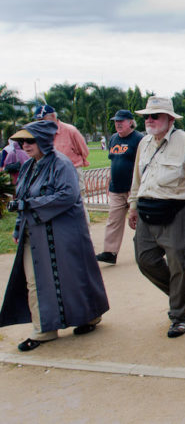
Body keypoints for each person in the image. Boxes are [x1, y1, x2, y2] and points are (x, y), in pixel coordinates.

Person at [0, 121, 109, 351]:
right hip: (35, 233)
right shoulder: (29, 166)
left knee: (73, 276)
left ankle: (90, 316)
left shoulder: (62, 164)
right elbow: (22, 200)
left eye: (30, 140)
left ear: (43, 140)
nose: (25, 145)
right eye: (22, 142)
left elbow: (67, 195)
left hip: (64, 233)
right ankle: (44, 328)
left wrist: (30, 205)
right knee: (34, 281)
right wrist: (19, 226)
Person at [127, 96, 185, 338]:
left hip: (177, 213)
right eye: (147, 116)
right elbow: (137, 179)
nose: (149, 120)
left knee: (179, 264)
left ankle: (179, 315)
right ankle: (180, 291)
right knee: (145, 259)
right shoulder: (144, 143)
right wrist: (132, 205)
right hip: (147, 212)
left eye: (155, 116)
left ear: (170, 119)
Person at [96, 110, 144, 264]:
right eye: (116, 121)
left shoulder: (139, 139)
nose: (118, 123)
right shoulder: (114, 139)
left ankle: (146, 251)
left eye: (121, 121)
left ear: (130, 122)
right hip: (116, 188)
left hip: (134, 188)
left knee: (141, 220)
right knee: (113, 220)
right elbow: (113, 161)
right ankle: (110, 252)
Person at [34, 104, 90, 221]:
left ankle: (84, 235)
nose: (41, 123)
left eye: (43, 119)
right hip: (51, 175)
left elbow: (84, 150)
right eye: (38, 120)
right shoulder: (40, 135)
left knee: (78, 205)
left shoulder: (70, 131)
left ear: (53, 117)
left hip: (72, 172)